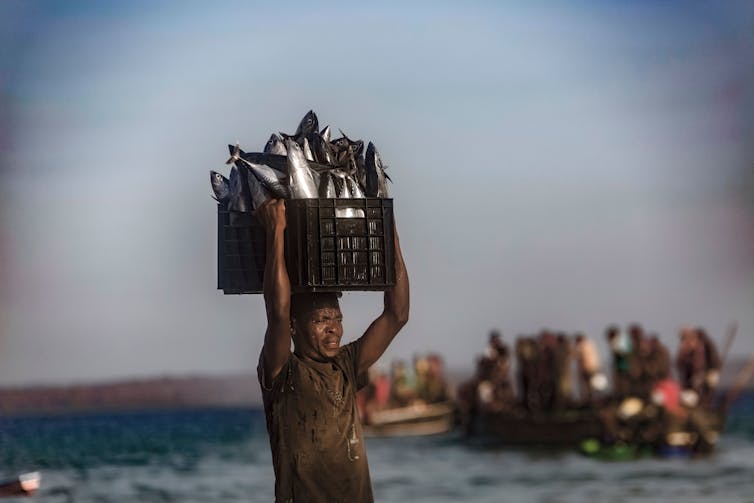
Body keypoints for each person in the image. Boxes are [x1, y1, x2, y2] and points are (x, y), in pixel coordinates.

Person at [256, 199, 409, 503]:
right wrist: (277, 230)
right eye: (321, 320)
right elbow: (278, 310)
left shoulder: (346, 365)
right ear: (294, 328)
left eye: (337, 319)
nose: (334, 329)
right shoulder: (282, 370)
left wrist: (388, 232)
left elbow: (397, 315)